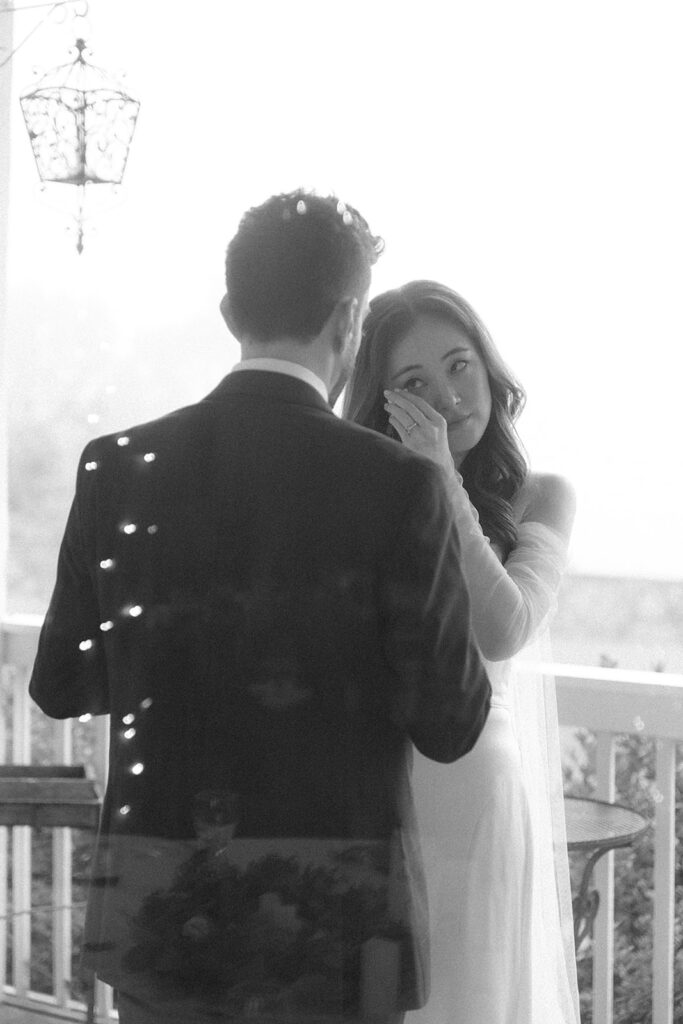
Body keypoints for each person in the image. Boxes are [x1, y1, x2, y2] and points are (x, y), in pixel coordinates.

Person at [29, 197, 492, 1024]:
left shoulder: (117, 464)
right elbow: (450, 722)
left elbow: (61, 683)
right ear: (350, 319)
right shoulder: (401, 484)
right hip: (334, 913)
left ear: (230, 311)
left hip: (159, 899)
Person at [344, 280, 580, 1024]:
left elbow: (504, 627)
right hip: (371, 790)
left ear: (488, 365)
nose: (447, 397)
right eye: (413, 384)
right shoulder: (364, 493)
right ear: (381, 402)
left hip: (475, 787)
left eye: (458, 365)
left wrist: (439, 474)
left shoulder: (542, 495)